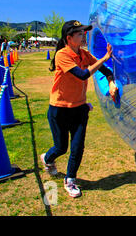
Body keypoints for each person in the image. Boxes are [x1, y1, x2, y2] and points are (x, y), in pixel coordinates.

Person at [40, 20, 118, 198]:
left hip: (79, 109)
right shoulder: (62, 55)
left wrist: (111, 82)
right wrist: (105, 58)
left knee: (77, 147)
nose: (84, 36)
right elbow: (82, 75)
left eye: (84, 33)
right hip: (59, 109)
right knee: (61, 148)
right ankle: (48, 158)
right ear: (69, 38)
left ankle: (70, 180)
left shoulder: (84, 54)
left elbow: (105, 70)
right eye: (80, 33)